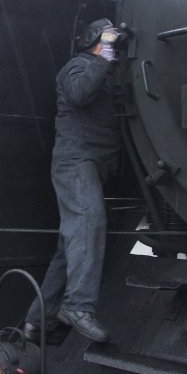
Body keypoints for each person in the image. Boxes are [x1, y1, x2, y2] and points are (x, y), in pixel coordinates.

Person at [23, 18, 121, 344]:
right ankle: (77, 306)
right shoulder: (76, 67)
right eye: (107, 41)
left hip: (90, 164)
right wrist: (109, 51)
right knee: (89, 224)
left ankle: (38, 319)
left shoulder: (105, 73)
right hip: (75, 163)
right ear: (97, 41)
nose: (112, 47)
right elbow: (80, 93)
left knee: (69, 248)